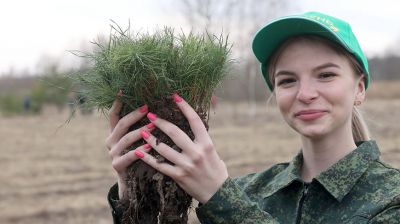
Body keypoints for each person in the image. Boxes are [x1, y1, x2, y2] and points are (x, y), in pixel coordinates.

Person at [106, 12, 400, 223]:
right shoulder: (251, 191)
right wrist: (134, 198)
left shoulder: (390, 198)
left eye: (325, 75)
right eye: (287, 80)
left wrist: (222, 199)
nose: (305, 93)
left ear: (359, 88)